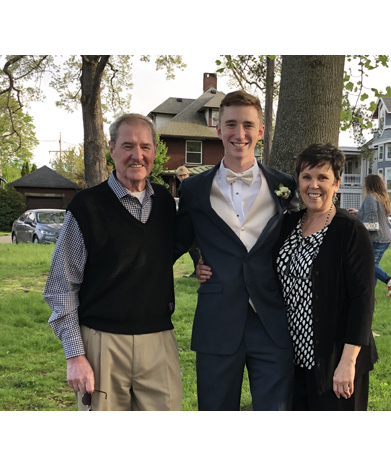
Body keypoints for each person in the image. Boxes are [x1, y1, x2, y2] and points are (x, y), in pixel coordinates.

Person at [198, 143, 378, 411]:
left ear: (337, 184)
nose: (313, 185)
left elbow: (363, 300)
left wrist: (347, 362)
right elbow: (253, 257)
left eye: (323, 178)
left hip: (334, 359)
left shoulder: (349, 230)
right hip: (292, 358)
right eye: (306, 177)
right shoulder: (288, 223)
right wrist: (209, 264)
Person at [44, 113, 182, 411]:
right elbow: (60, 287)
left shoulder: (165, 204)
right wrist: (75, 356)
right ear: (111, 148)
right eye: (128, 146)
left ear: (155, 151)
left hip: (159, 340)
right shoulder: (86, 207)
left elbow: (174, 248)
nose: (137, 155)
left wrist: (202, 262)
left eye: (145, 147)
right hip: (102, 344)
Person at [174, 90, 299, 411]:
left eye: (247, 125)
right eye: (231, 124)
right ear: (218, 128)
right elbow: (178, 239)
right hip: (217, 320)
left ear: (260, 131)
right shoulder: (194, 189)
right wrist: (200, 259)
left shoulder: (284, 186)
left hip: (272, 320)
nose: (238, 134)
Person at [349, 174, 391, 297]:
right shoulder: (382, 197)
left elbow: (372, 224)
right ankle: (369, 296)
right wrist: (358, 212)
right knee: (372, 268)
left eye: (365, 183)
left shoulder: (371, 198)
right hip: (385, 238)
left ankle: (389, 281)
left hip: (376, 238)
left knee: (369, 265)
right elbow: (374, 215)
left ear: (369, 184)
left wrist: (357, 231)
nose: (363, 186)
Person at [176, 166, 201, 278]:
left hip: (194, 222)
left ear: (188, 175)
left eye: (184, 175)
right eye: (180, 176)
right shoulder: (185, 186)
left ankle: (197, 271)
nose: (183, 177)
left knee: (193, 249)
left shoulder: (188, 186)